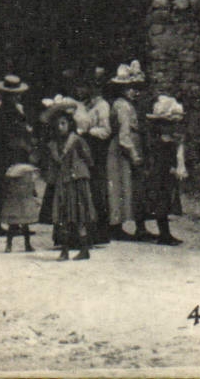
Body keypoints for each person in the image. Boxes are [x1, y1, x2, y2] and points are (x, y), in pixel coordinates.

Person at [0, 76, 31, 237]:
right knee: (8, 186)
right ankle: (8, 224)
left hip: (4, 152)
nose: (17, 96)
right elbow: (10, 132)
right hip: (9, 152)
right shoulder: (9, 110)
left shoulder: (7, 108)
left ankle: (6, 224)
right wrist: (24, 132)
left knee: (3, 186)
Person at [44, 101, 96, 260]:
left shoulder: (77, 141)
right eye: (57, 124)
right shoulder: (53, 145)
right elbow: (52, 165)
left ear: (70, 124)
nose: (61, 127)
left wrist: (79, 167)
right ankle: (65, 250)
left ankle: (84, 248)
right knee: (63, 216)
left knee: (79, 216)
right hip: (62, 182)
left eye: (63, 123)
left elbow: (89, 159)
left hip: (76, 181)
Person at [137, 95, 187, 246]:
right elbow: (160, 158)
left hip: (164, 171)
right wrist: (171, 168)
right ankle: (163, 234)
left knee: (164, 200)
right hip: (161, 172)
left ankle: (164, 233)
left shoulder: (167, 137)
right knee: (161, 201)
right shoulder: (160, 139)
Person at [105, 61, 145, 240]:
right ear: (121, 89)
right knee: (119, 185)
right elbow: (124, 134)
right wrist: (133, 153)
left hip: (129, 147)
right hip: (122, 150)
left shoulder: (129, 105)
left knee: (130, 186)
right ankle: (116, 226)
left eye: (135, 88)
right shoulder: (122, 106)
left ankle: (136, 225)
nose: (133, 91)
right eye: (129, 88)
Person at [78, 71, 113, 244]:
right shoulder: (85, 105)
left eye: (87, 87)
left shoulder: (102, 106)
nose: (82, 90)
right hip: (85, 148)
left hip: (96, 148)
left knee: (97, 188)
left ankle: (100, 231)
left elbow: (106, 131)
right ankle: (87, 230)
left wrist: (87, 132)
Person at [0, 131, 39, 253]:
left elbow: (6, 185)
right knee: (25, 225)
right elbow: (31, 184)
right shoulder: (27, 171)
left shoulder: (11, 171)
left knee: (12, 225)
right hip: (24, 200)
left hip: (13, 201)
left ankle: (9, 246)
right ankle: (27, 245)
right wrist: (34, 193)